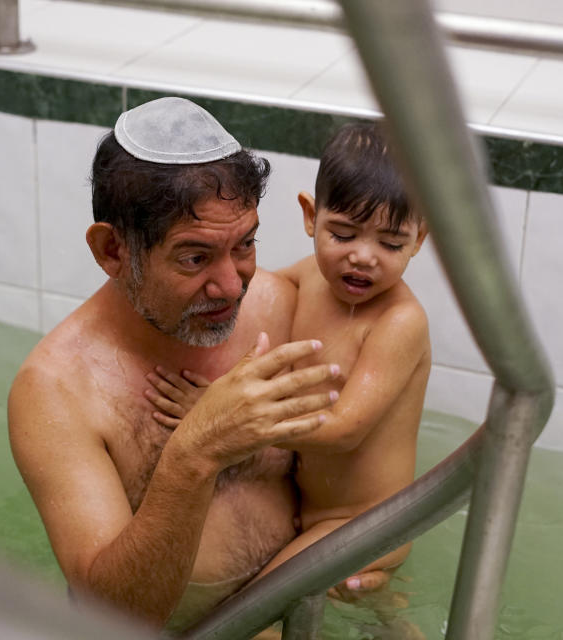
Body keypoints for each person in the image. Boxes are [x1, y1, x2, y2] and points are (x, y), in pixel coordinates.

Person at [7, 97, 344, 632]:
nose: (233, 285)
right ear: (113, 250)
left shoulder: (277, 308)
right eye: (194, 257)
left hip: (297, 611)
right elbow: (113, 619)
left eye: (245, 244)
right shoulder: (56, 391)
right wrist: (197, 450)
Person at [146, 121, 432, 599]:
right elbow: (241, 304)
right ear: (310, 217)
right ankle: (396, 622)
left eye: (390, 244)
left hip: (363, 523)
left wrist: (228, 415)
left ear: (419, 239)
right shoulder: (308, 281)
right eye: (342, 234)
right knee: (370, 613)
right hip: (309, 509)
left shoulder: (399, 323)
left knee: (257, 614)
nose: (363, 258)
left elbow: (344, 429)